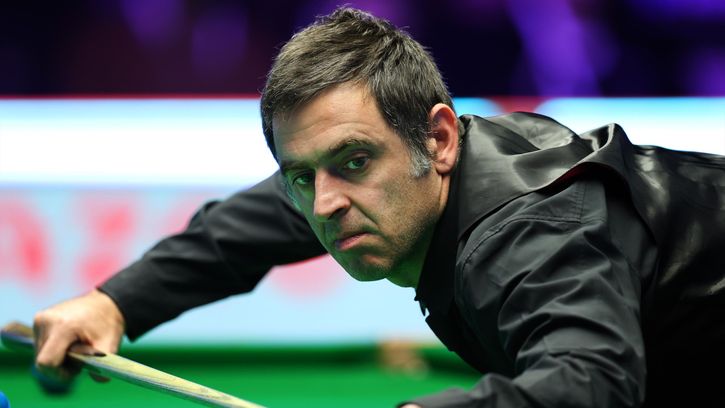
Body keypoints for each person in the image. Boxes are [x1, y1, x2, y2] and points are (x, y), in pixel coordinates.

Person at [32, 7, 725, 408]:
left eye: (353, 161)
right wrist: (113, 303)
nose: (324, 203)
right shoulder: (382, 174)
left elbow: (592, 380)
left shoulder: (529, 230)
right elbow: (247, 228)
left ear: (439, 139)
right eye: (300, 175)